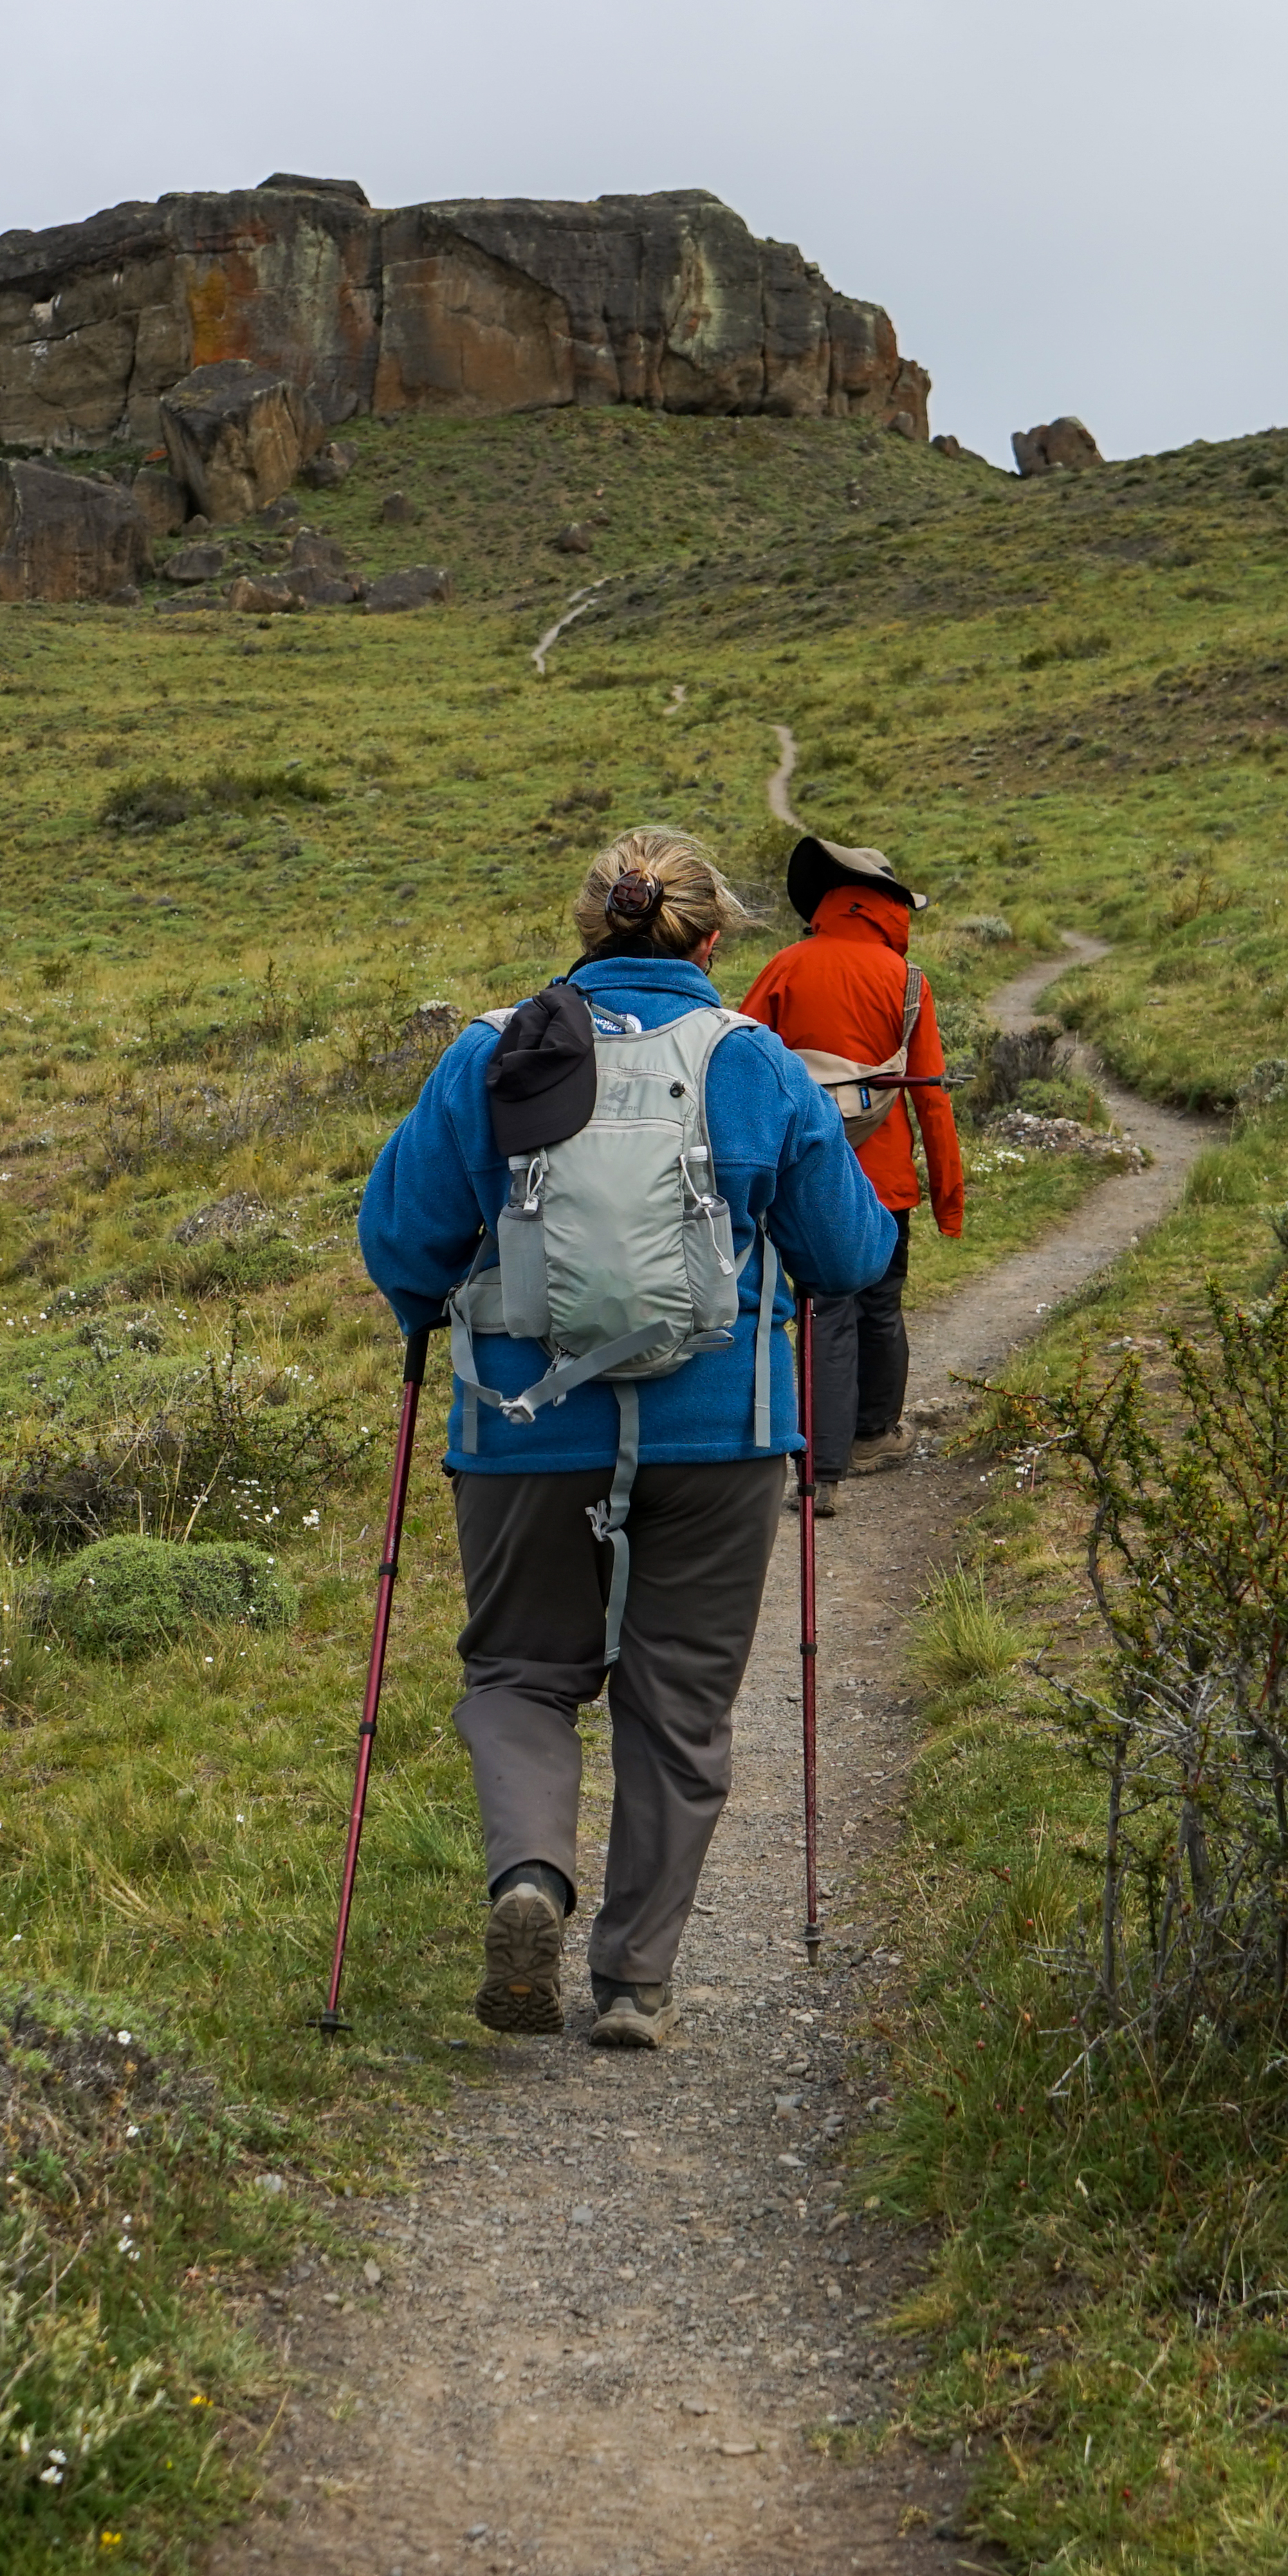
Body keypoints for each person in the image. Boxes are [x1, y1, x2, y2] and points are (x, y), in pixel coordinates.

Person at [359, 827, 901, 2050]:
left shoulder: (489, 1050)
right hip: (721, 1438)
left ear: (585, 925)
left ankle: (529, 1881)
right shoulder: (752, 1060)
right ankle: (634, 1983)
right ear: (709, 944)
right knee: (679, 1705)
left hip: (521, 1429)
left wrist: (428, 1314)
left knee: (517, 1674)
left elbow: (398, 1236)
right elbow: (850, 1255)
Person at [739, 836, 963, 1514]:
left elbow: (738, 1070)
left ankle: (821, 1467)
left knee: (822, 1310)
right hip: (885, 1180)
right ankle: (874, 1435)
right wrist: (948, 1199)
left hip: (804, 1179)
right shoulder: (907, 980)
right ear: (888, 907)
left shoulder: (783, 967)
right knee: (881, 1305)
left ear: (829, 901)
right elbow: (931, 1099)